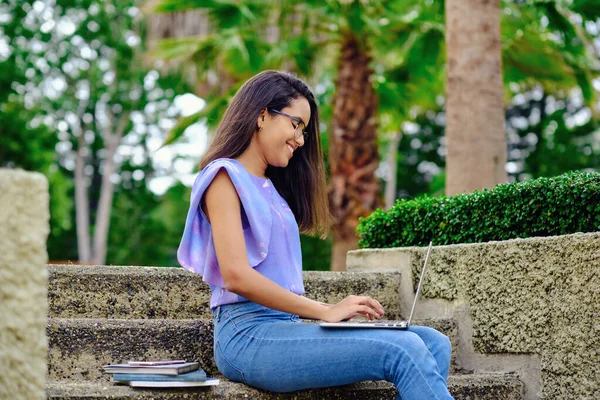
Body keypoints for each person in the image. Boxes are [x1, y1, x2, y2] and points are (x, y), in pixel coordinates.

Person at [178, 70, 454, 399]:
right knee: (403, 348)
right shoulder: (224, 176)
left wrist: (323, 312)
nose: (301, 139)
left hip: (284, 328)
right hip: (246, 335)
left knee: (435, 341)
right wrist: (325, 310)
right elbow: (236, 276)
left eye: (304, 130)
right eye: (296, 124)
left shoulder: (271, 188)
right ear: (262, 115)